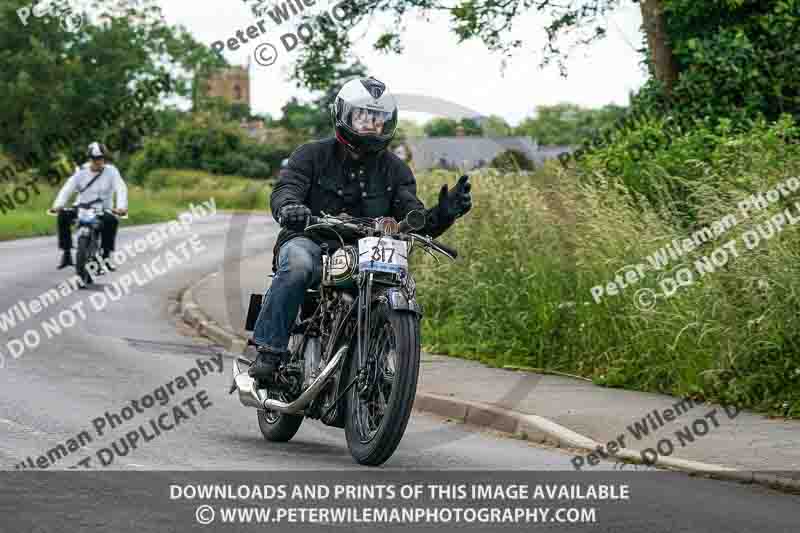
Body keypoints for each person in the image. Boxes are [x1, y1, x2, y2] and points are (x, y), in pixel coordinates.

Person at [247, 76, 472, 381]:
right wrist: (290, 207)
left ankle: (376, 358)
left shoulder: (396, 169)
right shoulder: (311, 155)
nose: (370, 124)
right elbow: (287, 187)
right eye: (362, 115)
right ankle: (270, 352)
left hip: (366, 252)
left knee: (395, 283)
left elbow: (411, 214)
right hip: (312, 240)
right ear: (344, 115)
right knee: (298, 265)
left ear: (387, 123)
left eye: (377, 118)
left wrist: (443, 214)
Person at [49, 142, 128, 270]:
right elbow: (67, 188)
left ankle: (106, 256)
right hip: (82, 207)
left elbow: (121, 188)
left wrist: (121, 207)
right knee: (63, 215)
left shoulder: (112, 172)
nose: (98, 161)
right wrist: (58, 205)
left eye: (101, 158)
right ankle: (67, 252)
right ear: (89, 158)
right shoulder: (81, 171)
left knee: (112, 220)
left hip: (103, 209)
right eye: (95, 158)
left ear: (104, 158)